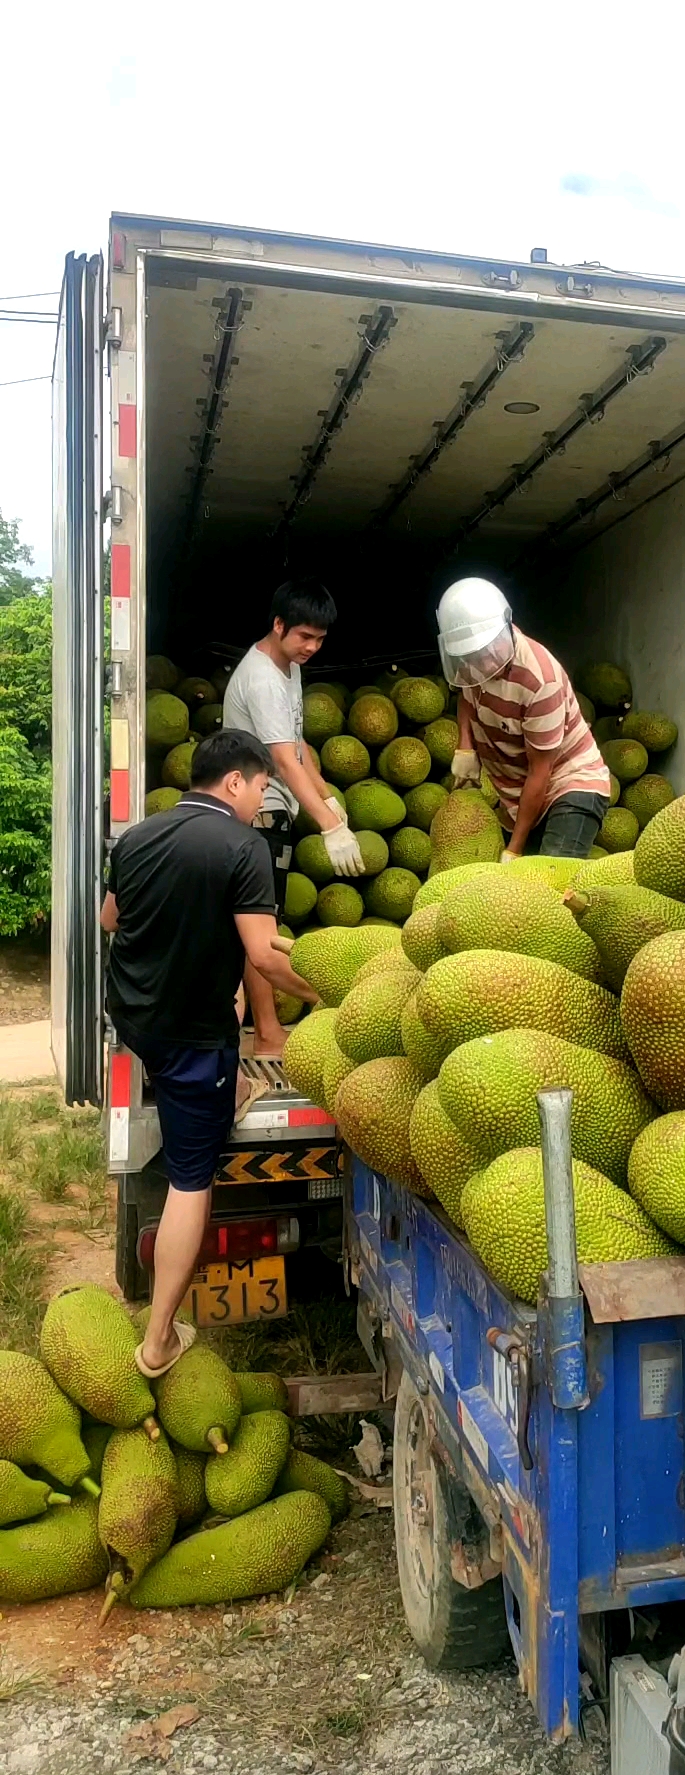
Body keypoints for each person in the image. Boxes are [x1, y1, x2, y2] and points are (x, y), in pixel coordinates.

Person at [100, 729, 319, 1379]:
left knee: (195, 1108)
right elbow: (262, 956)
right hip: (194, 1041)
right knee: (190, 1180)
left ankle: (225, 1091)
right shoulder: (242, 845)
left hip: (137, 1020)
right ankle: (158, 1340)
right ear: (234, 782)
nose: (259, 802)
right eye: (259, 788)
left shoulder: (136, 837)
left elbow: (112, 920)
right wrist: (327, 988)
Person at [223, 577, 363, 1055]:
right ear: (278, 625)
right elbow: (282, 759)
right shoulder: (262, 677)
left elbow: (298, 743)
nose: (312, 647)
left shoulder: (287, 668)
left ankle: (262, 1028)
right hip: (256, 814)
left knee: (259, 925)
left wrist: (327, 801)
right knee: (260, 932)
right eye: (304, 636)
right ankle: (267, 1032)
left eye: (320, 639)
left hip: (273, 810)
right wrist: (328, 826)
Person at [436, 577, 610, 859]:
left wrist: (514, 849)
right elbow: (467, 693)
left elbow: (540, 773)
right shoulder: (472, 663)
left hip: (569, 784)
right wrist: (465, 746)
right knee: (505, 889)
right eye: (470, 658)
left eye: (484, 654)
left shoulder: (540, 683)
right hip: (516, 793)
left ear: (505, 629)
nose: (480, 665)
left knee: (546, 882)